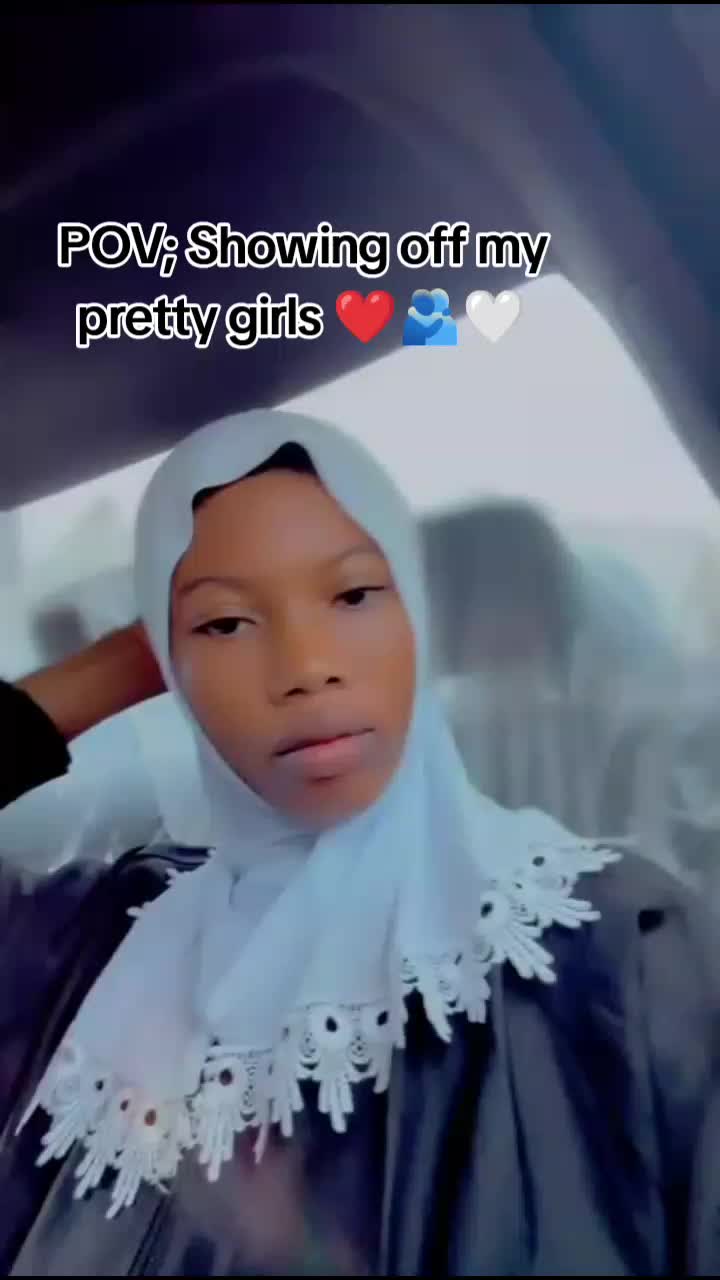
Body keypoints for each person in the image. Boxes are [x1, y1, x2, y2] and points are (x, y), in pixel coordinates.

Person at [1, 409, 720, 1276]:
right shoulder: (101, 944)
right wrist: (121, 660)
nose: (308, 667)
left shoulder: (619, 948)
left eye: (354, 596)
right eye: (224, 625)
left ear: (417, 609)